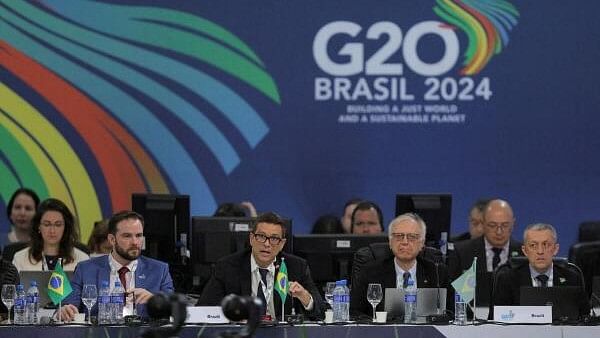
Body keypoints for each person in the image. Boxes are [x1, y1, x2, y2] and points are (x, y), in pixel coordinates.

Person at [198, 212, 325, 321]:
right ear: (252, 238)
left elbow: (320, 313)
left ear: (282, 244)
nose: (267, 244)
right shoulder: (227, 267)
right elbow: (203, 310)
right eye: (261, 237)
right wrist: (232, 316)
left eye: (274, 239)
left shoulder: (296, 267)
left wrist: (304, 296)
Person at [58, 210, 174, 321]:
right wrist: (65, 310)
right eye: (127, 236)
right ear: (112, 239)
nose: (135, 242)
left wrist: (156, 301)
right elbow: (67, 305)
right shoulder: (86, 269)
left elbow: (174, 309)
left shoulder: (159, 270)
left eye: (138, 235)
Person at [350, 213, 451, 318]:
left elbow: (452, 311)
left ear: (422, 243)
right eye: (399, 236)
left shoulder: (437, 272)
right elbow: (354, 311)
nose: (405, 242)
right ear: (390, 242)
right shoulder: (370, 272)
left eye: (412, 237)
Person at [491, 223, 589, 318]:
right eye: (533, 245)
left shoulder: (572, 280)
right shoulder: (507, 280)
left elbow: (586, 320)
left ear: (555, 249)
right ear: (525, 251)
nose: (540, 251)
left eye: (546, 245)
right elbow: (494, 321)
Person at [448, 199, 523, 306]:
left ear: (513, 224)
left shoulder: (524, 253)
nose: (499, 231)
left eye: (505, 225)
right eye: (492, 225)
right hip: (472, 317)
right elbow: (452, 295)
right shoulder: (462, 252)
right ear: (483, 224)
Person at [12, 198, 89, 272]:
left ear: (65, 227)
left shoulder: (82, 260)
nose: (52, 231)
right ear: (38, 226)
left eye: (58, 225)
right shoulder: (20, 258)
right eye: (47, 224)